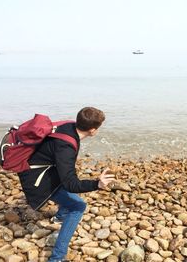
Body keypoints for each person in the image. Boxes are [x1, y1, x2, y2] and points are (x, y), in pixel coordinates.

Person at [18, 107, 115, 262]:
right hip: (35, 178)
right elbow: (71, 185)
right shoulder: (66, 147)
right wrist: (98, 184)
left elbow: (66, 172)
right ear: (92, 130)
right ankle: (57, 257)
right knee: (78, 206)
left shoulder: (69, 126)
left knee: (69, 178)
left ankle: (60, 217)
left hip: (40, 167)